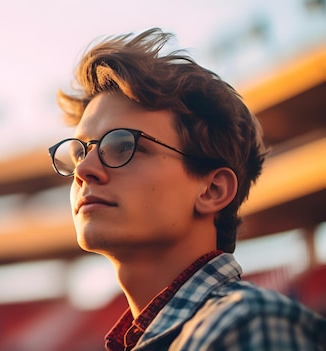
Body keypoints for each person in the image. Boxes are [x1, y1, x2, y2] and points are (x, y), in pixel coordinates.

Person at [48, 28, 326, 350]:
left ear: (212, 190)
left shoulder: (247, 325)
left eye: (123, 146)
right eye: (79, 152)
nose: (83, 170)